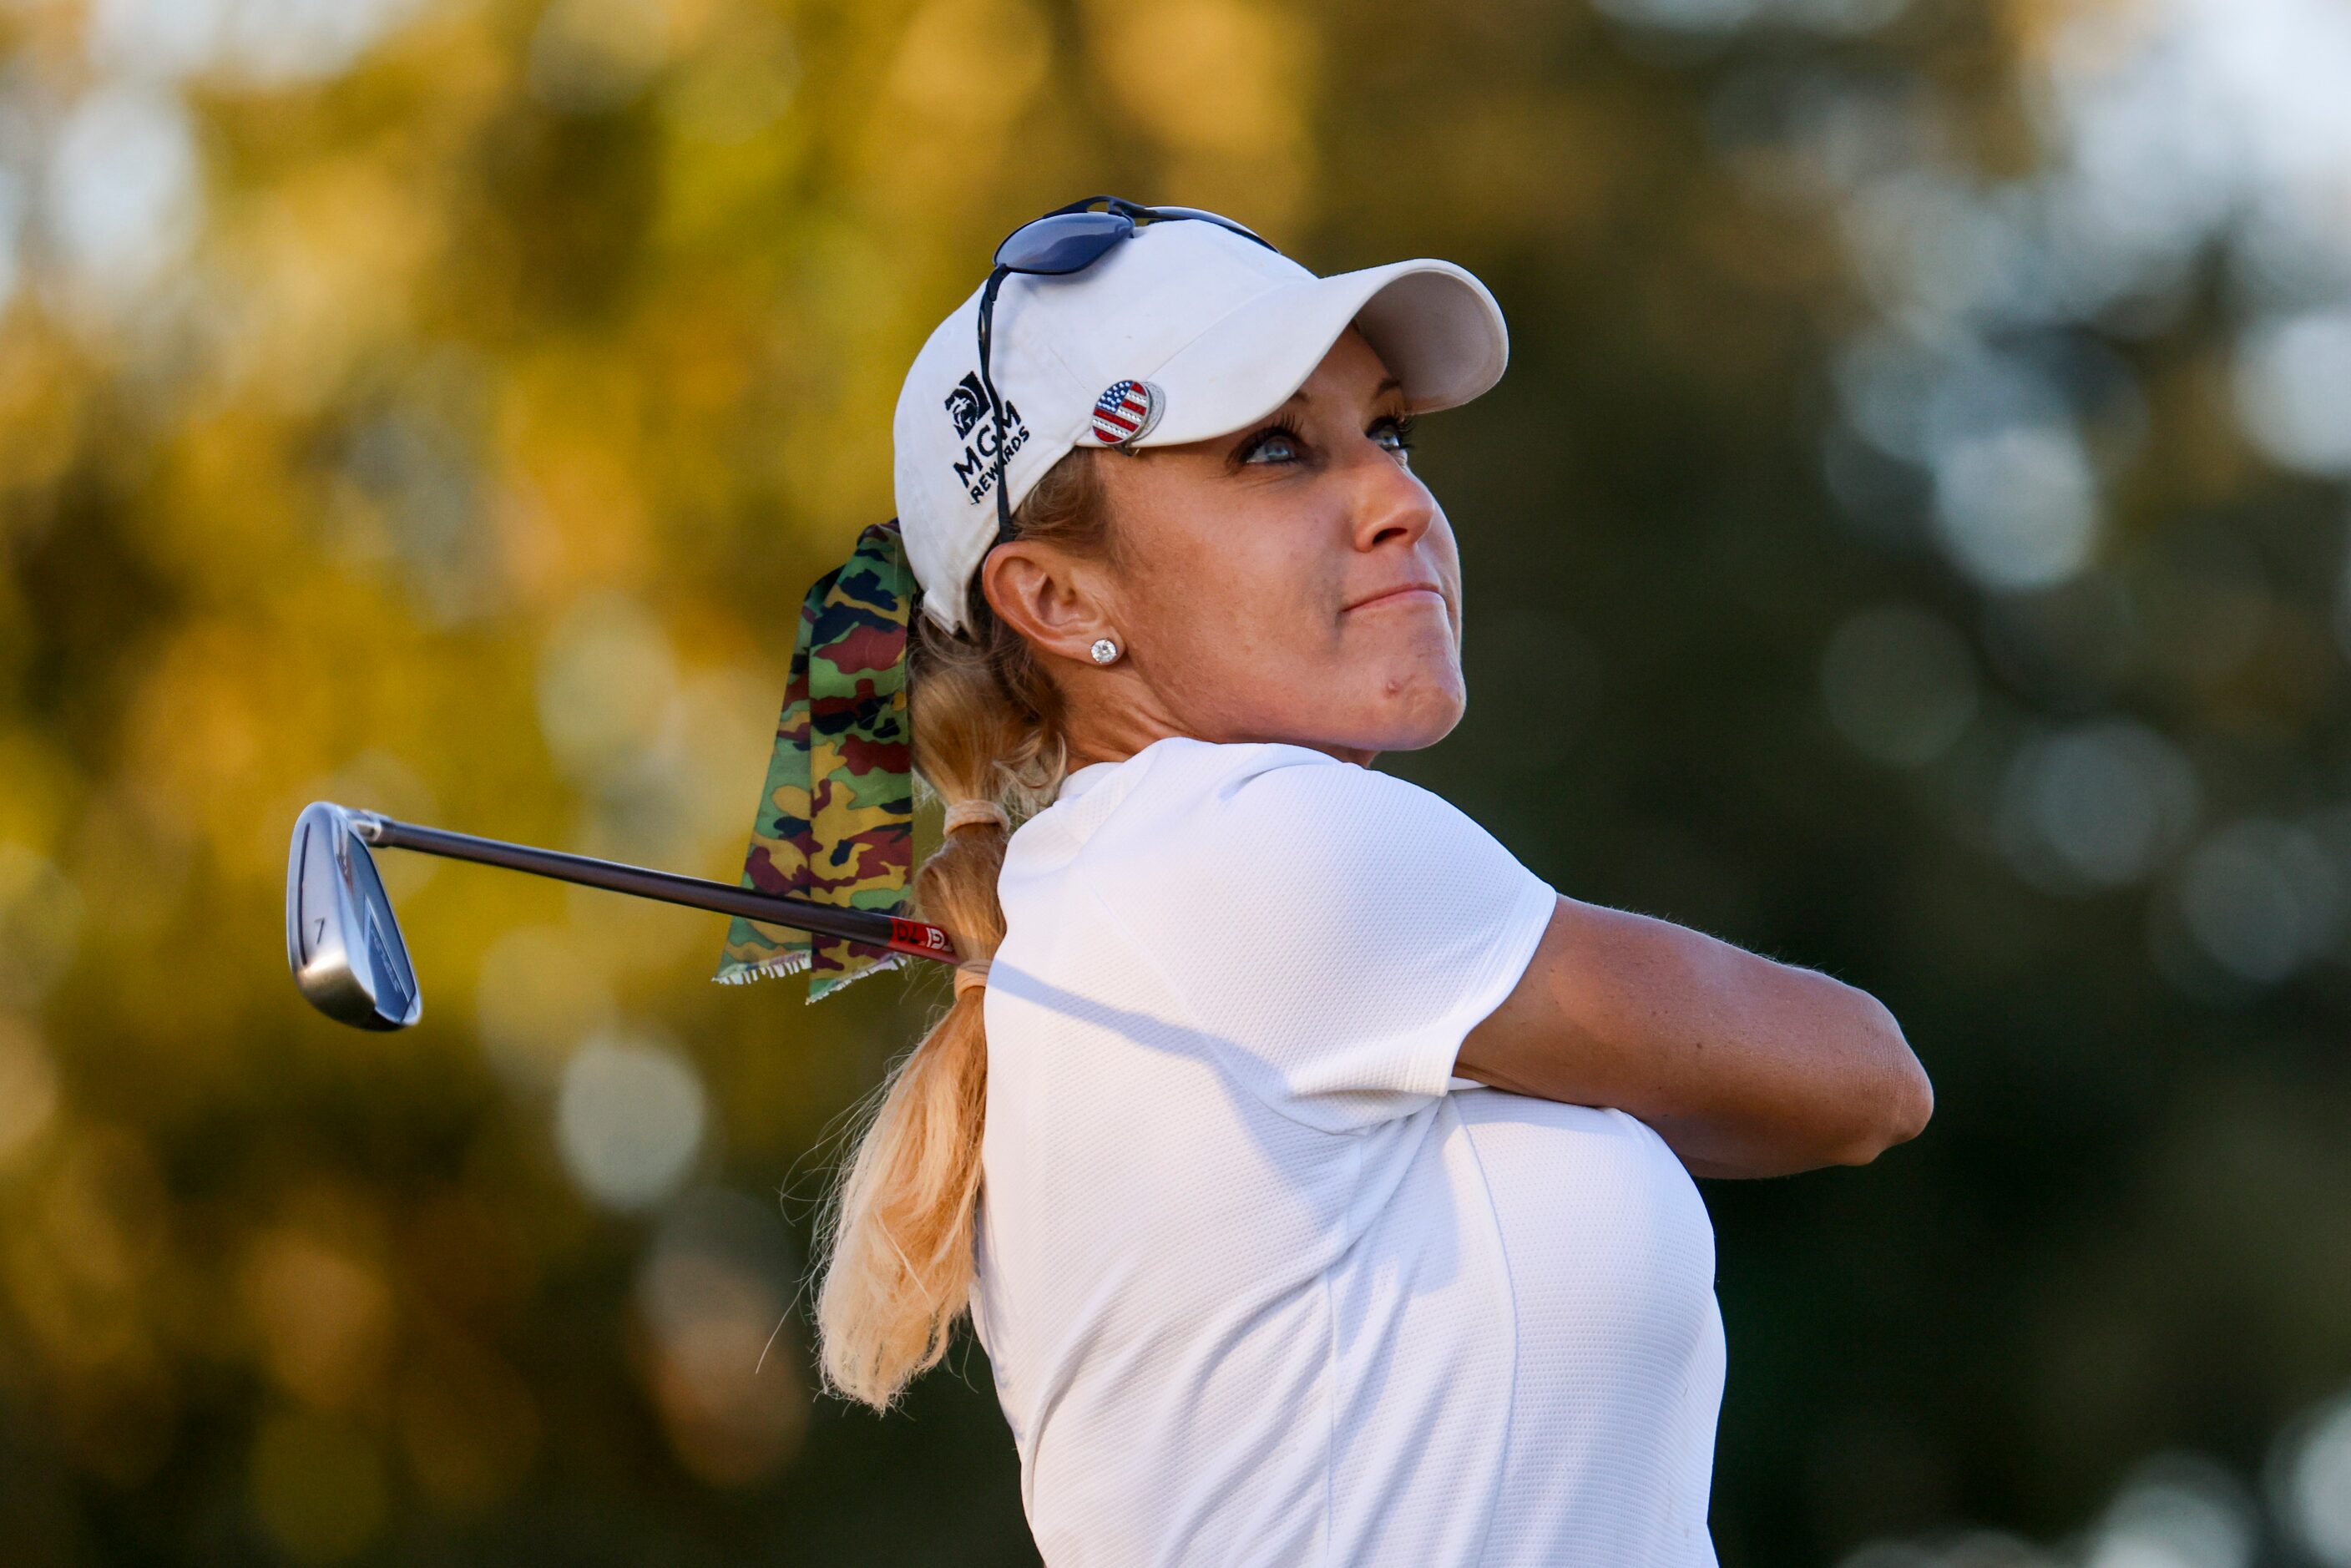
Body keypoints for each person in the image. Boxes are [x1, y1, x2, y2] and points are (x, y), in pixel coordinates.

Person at [750, 198, 1933, 1565]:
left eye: (1388, 432)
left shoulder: (1121, 887)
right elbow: (1862, 1073)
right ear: (1060, 602)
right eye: (1272, 450)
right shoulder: (1248, 837)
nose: (1400, 501)